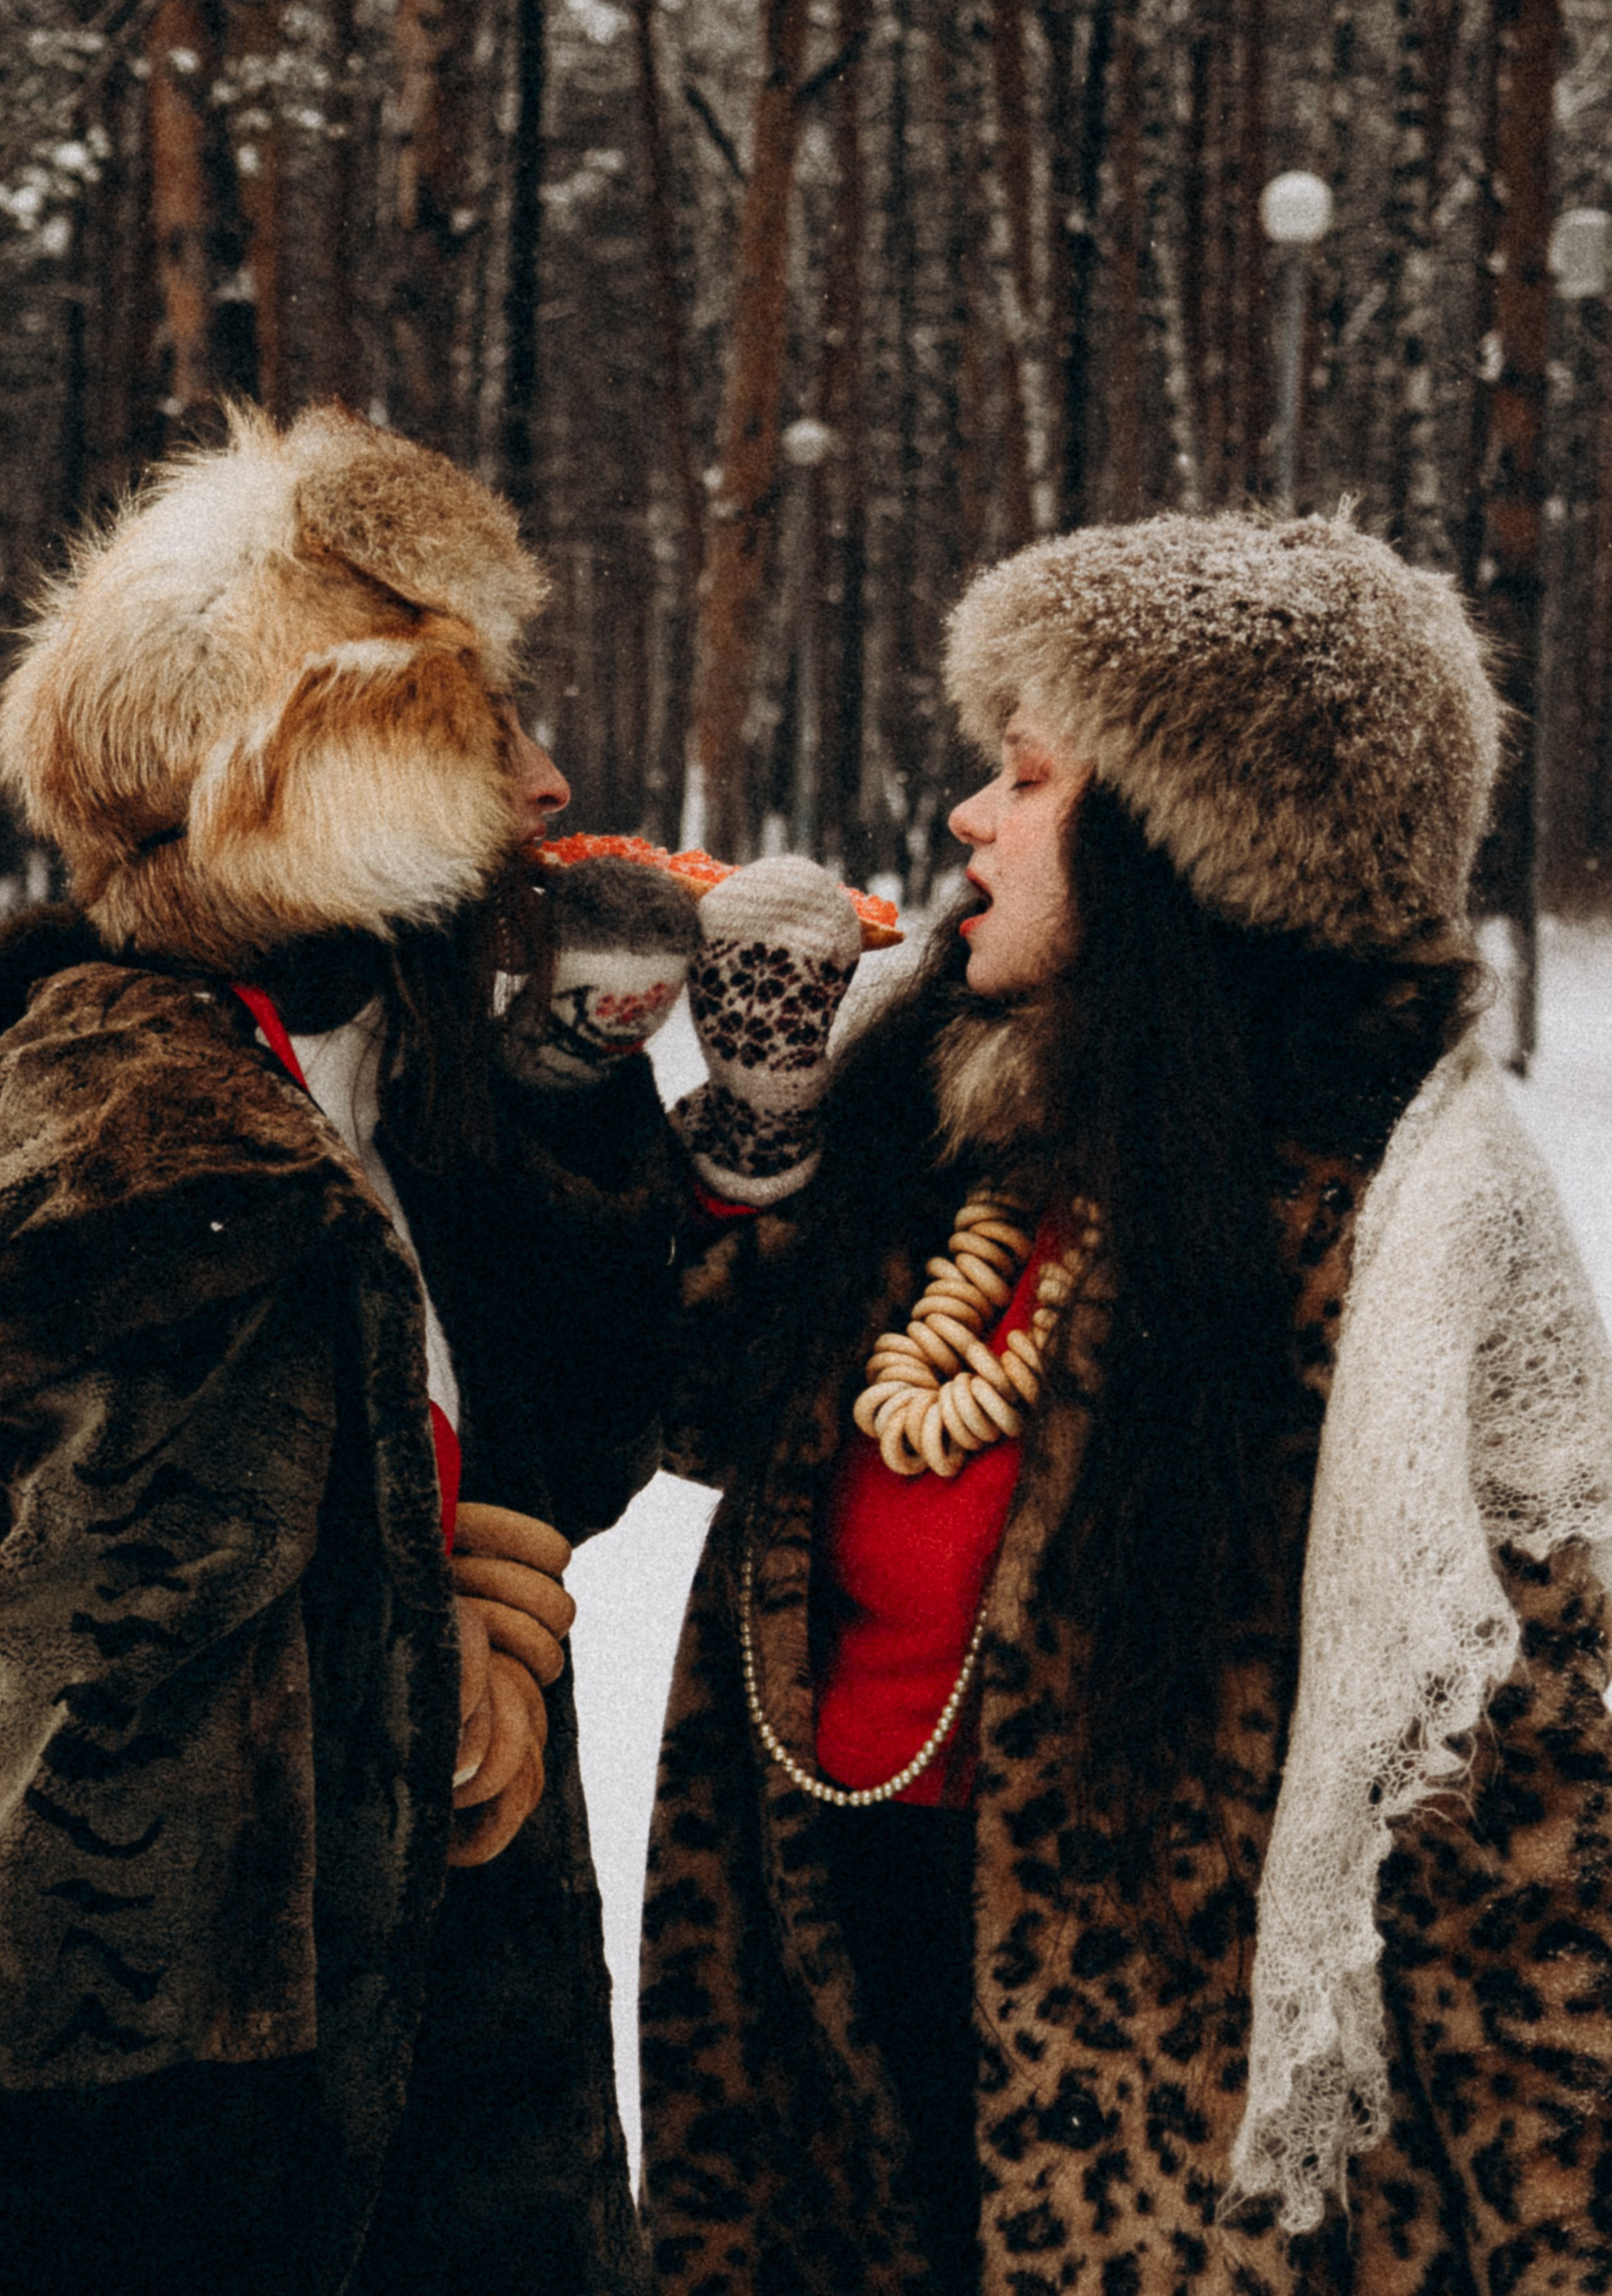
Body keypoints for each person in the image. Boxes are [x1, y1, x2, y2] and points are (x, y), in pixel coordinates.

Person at [0, 402, 705, 2296]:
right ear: (327, 758)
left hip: (460, 1973)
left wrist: (616, 1104)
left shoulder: (445, 1041)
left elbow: (612, 1413)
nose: (544, 785)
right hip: (142, 2037)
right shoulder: (87, 1061)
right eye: (484, 730)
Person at [643, 512, 1612, 2294]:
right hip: (833, 2087)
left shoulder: (1384, 1235)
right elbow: (689, 1412)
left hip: (1172, 2183)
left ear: (1194, 845)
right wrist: (759, 1124)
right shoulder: (945, 1130)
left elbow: (1522, 1836)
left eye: (1022, 777)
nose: (964, 821)